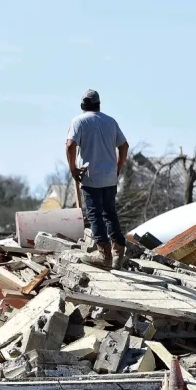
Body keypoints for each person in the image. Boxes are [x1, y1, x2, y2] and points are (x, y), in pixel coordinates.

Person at [66, 89, 129, 269]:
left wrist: (73, 168)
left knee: (95, 215)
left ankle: (104, 255)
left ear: (82, 105)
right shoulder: (110, 121)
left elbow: (70, 145)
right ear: (99, 104)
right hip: (110, 177)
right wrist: (117, 167)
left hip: (91, 176)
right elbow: (124, 146)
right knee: (110, 213)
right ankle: (118, 253)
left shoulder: (78, 121)